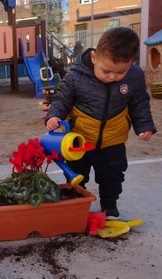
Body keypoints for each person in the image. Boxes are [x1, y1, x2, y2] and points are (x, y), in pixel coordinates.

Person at [45, 27, 157, 220]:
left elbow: (139, 102)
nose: (112, 77)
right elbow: (62, 99)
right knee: (76, 174)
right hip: (79, 139)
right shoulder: (76, 76)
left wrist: (144, 125)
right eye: (106, 71)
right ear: (95, 57)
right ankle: (75, 204)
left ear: (131, 62)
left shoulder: (135, 77)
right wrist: (54, 116)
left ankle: (109, 206)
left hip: (113, 139)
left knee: (112, 176)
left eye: (120, 72)